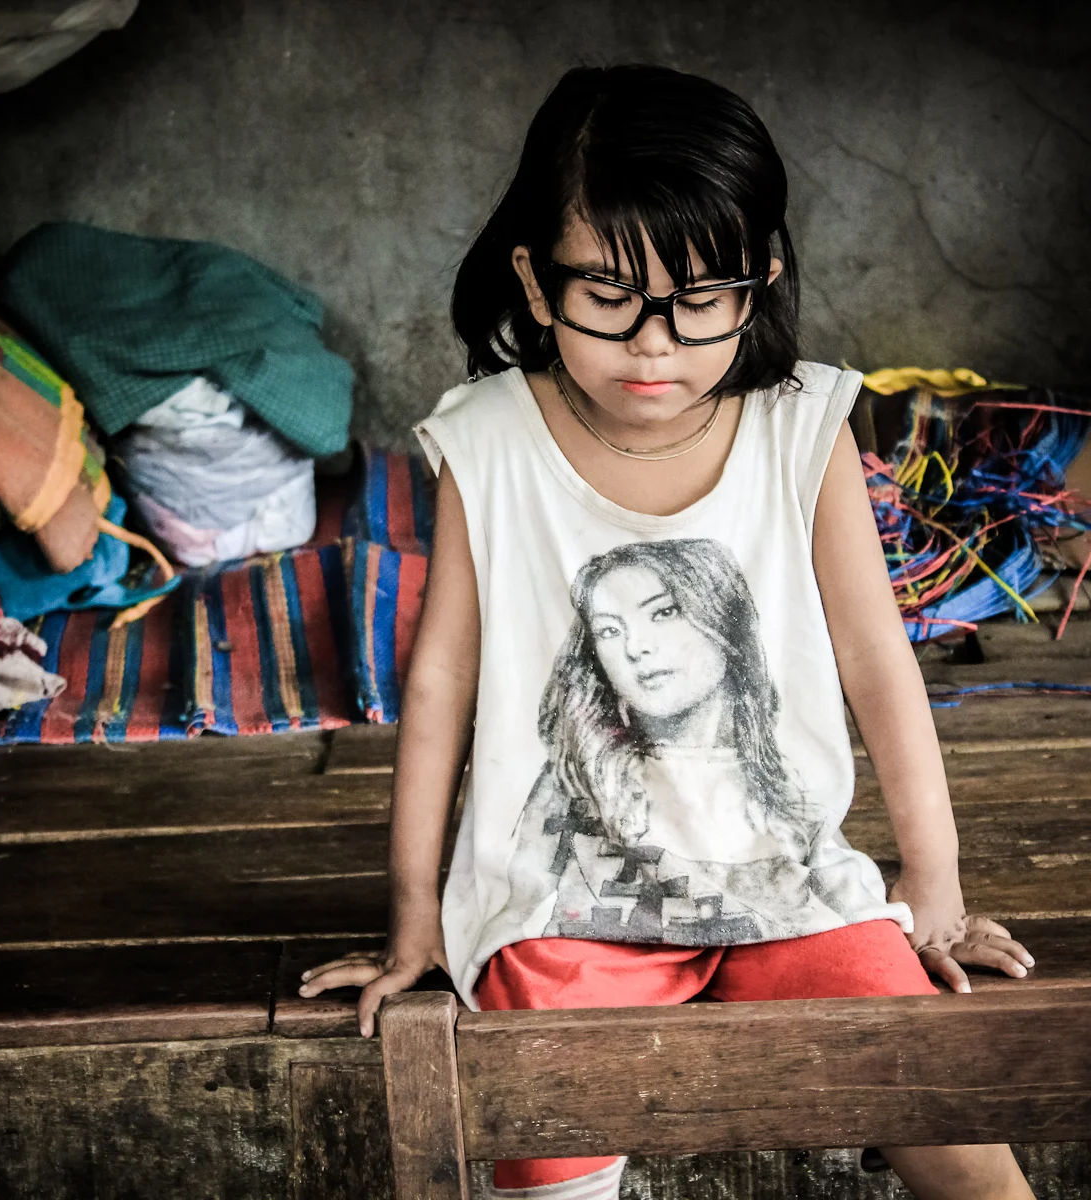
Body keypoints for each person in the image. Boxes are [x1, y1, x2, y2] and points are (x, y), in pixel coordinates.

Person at [300, 64, 1037, 1200]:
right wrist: (416, 915)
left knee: (943, 1102)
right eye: (609, 295)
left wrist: (931, 882)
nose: (655, 345)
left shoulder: (804, 427)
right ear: (535, 280)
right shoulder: (489, 441)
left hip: (786, 885)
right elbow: (442, 678)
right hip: (563, 913)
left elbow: (875, 661)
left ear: (761, 281)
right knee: (546, 1121)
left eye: (699, 301)